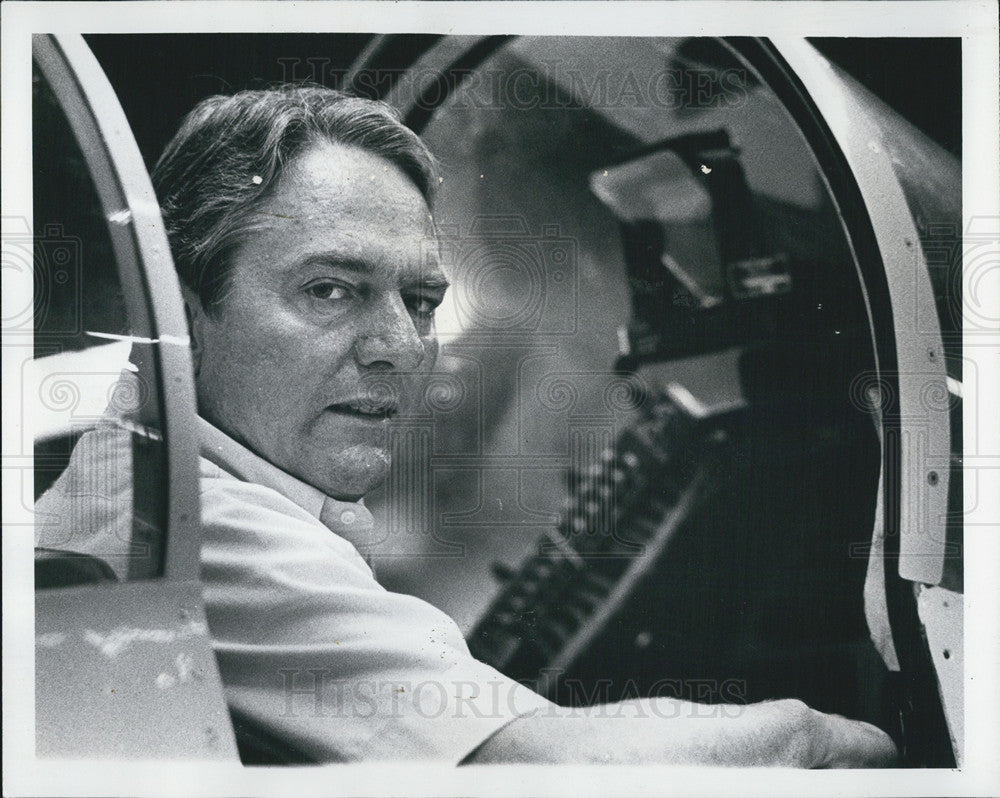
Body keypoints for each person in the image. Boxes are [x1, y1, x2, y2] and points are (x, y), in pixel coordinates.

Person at [36, 84, 897, 766]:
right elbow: (540, 770)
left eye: (419, 301)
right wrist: (820, 739)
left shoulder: (171, 486)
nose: (398, 349)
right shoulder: (192, 525)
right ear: (183, 319)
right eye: (329, 290)